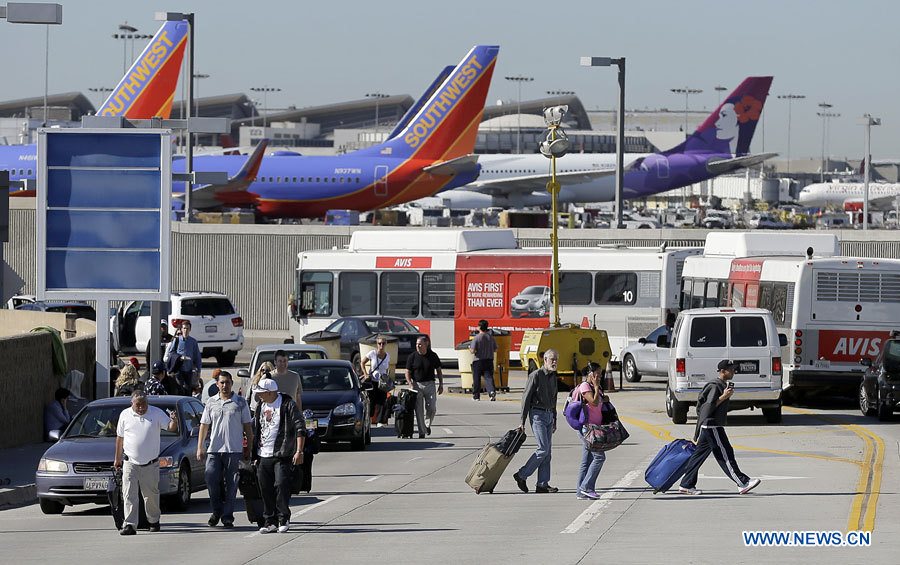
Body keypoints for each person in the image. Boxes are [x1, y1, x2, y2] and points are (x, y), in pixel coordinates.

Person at [678, 360, 761, 496]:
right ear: (723, 371)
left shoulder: (721, 385)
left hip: (709, 425)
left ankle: (686, 484)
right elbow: (708, 407)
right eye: (731, 369)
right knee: (725, 454)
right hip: (712, 425)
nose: (734, 371)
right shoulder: (716, 386)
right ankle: (742, 483)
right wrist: (724, 397)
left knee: (698, 456)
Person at [113, 390, 178, 535]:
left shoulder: (156, 413)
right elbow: (120, 438)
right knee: (129, 494)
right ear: (132, 404)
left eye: (144, 404)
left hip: (150, 463)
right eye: (138, 405)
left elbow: (171, 427)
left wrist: (174, 419)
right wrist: (117, 458)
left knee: (151, 495)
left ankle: (153, 521)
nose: (141, 407)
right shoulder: (125, 415)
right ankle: (129, 524)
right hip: (130, 462)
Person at [197, 370, 253, 529]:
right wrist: (200, 447)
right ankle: (216, 510)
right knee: (211, 479)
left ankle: (227, 516)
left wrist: (249, 447)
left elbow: (248, 427)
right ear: (217, 385)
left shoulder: (240, 402)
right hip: (214, 450)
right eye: (221, 383)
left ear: (231, 383)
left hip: (234, 450)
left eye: (227, 382)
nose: (224, 386)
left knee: (231, 484)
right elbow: (204, 426)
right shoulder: (211, 402)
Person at [251, 378, 305, 534]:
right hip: (263, 454)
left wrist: (299, 451)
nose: (259, 396)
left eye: (261, 393)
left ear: (270, 392)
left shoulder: (287, 404)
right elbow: (258, 429)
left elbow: (300, 426)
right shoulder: (261, 405)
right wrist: (255, 453)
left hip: (282, 454)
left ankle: (283, 518)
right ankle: (270, 521)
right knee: (265, 488)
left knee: (281, 485)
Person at [513, 349, 559, 494]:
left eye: (556, 359)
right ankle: (521, 475)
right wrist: (522, 421)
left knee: (547, 452)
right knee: (543, 449)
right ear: (545, 360)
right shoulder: (536, 375)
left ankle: (542, 484)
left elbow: (554, 399)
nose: (555, 362)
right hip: (537, 415)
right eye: (552, 359)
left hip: (549, 416)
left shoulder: (553, 377)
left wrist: (555, 419)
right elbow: (525, 399)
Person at [575, 363, 609, 500]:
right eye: (598, 373)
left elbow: (600, 400)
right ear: (590, 374)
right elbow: (594, 402)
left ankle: (580, 492)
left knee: (587, 460)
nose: (600, 376)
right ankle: (586, 487)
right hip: (587, 429)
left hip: (595, 427)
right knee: (599, 457)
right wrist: (595, 387)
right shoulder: (585, 386)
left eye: (601, 373)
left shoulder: (598, 388)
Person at [405, 335, 443, 439]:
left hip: (430, 384)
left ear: (427, 344)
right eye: (417, 344)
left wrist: (441, 384)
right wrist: (410, 384)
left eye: (420, 344)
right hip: (417, 385)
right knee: (419, 410)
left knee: (431, 408)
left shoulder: (433, 356)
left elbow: (439, 371)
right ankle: (422, 431)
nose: (418, 346)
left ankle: (427, 425)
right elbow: (407, 372)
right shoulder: (412, 356)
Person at [164, 320, 202, 396]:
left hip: (188, 370)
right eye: (184, 328)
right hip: (178, 369)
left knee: (188, 390)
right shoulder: (177, 340)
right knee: (180, 389)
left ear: (190, 329)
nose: (186, 330)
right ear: (181, 329)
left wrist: (198, 371)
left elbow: (197, 356)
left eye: (187, 328)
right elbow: (171, 353)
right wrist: (179, 357)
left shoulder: (193, 341)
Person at [361, 335, 390, 426]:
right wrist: (365, 374)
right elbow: (362, 362)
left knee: (382, 401)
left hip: (382, 382)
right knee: (371, 401)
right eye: (379, 343)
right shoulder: (372, 353)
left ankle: (380, 421)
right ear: (377, 344)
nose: (381, 345)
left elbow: (387, 368)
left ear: (386, 344)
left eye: (383, 343)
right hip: (372, 380)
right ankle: (369, 418)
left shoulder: (387, 356)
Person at [469, 319, 497, 401]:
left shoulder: (477, 338)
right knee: (488, 377)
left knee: (477, 378)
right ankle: (491, 392)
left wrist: (470, 349)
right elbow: (495, 349)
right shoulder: (491, 338)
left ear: (480, 327)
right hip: (489, 360)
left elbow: (473, 350)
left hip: (478, 360)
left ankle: (476, 396)